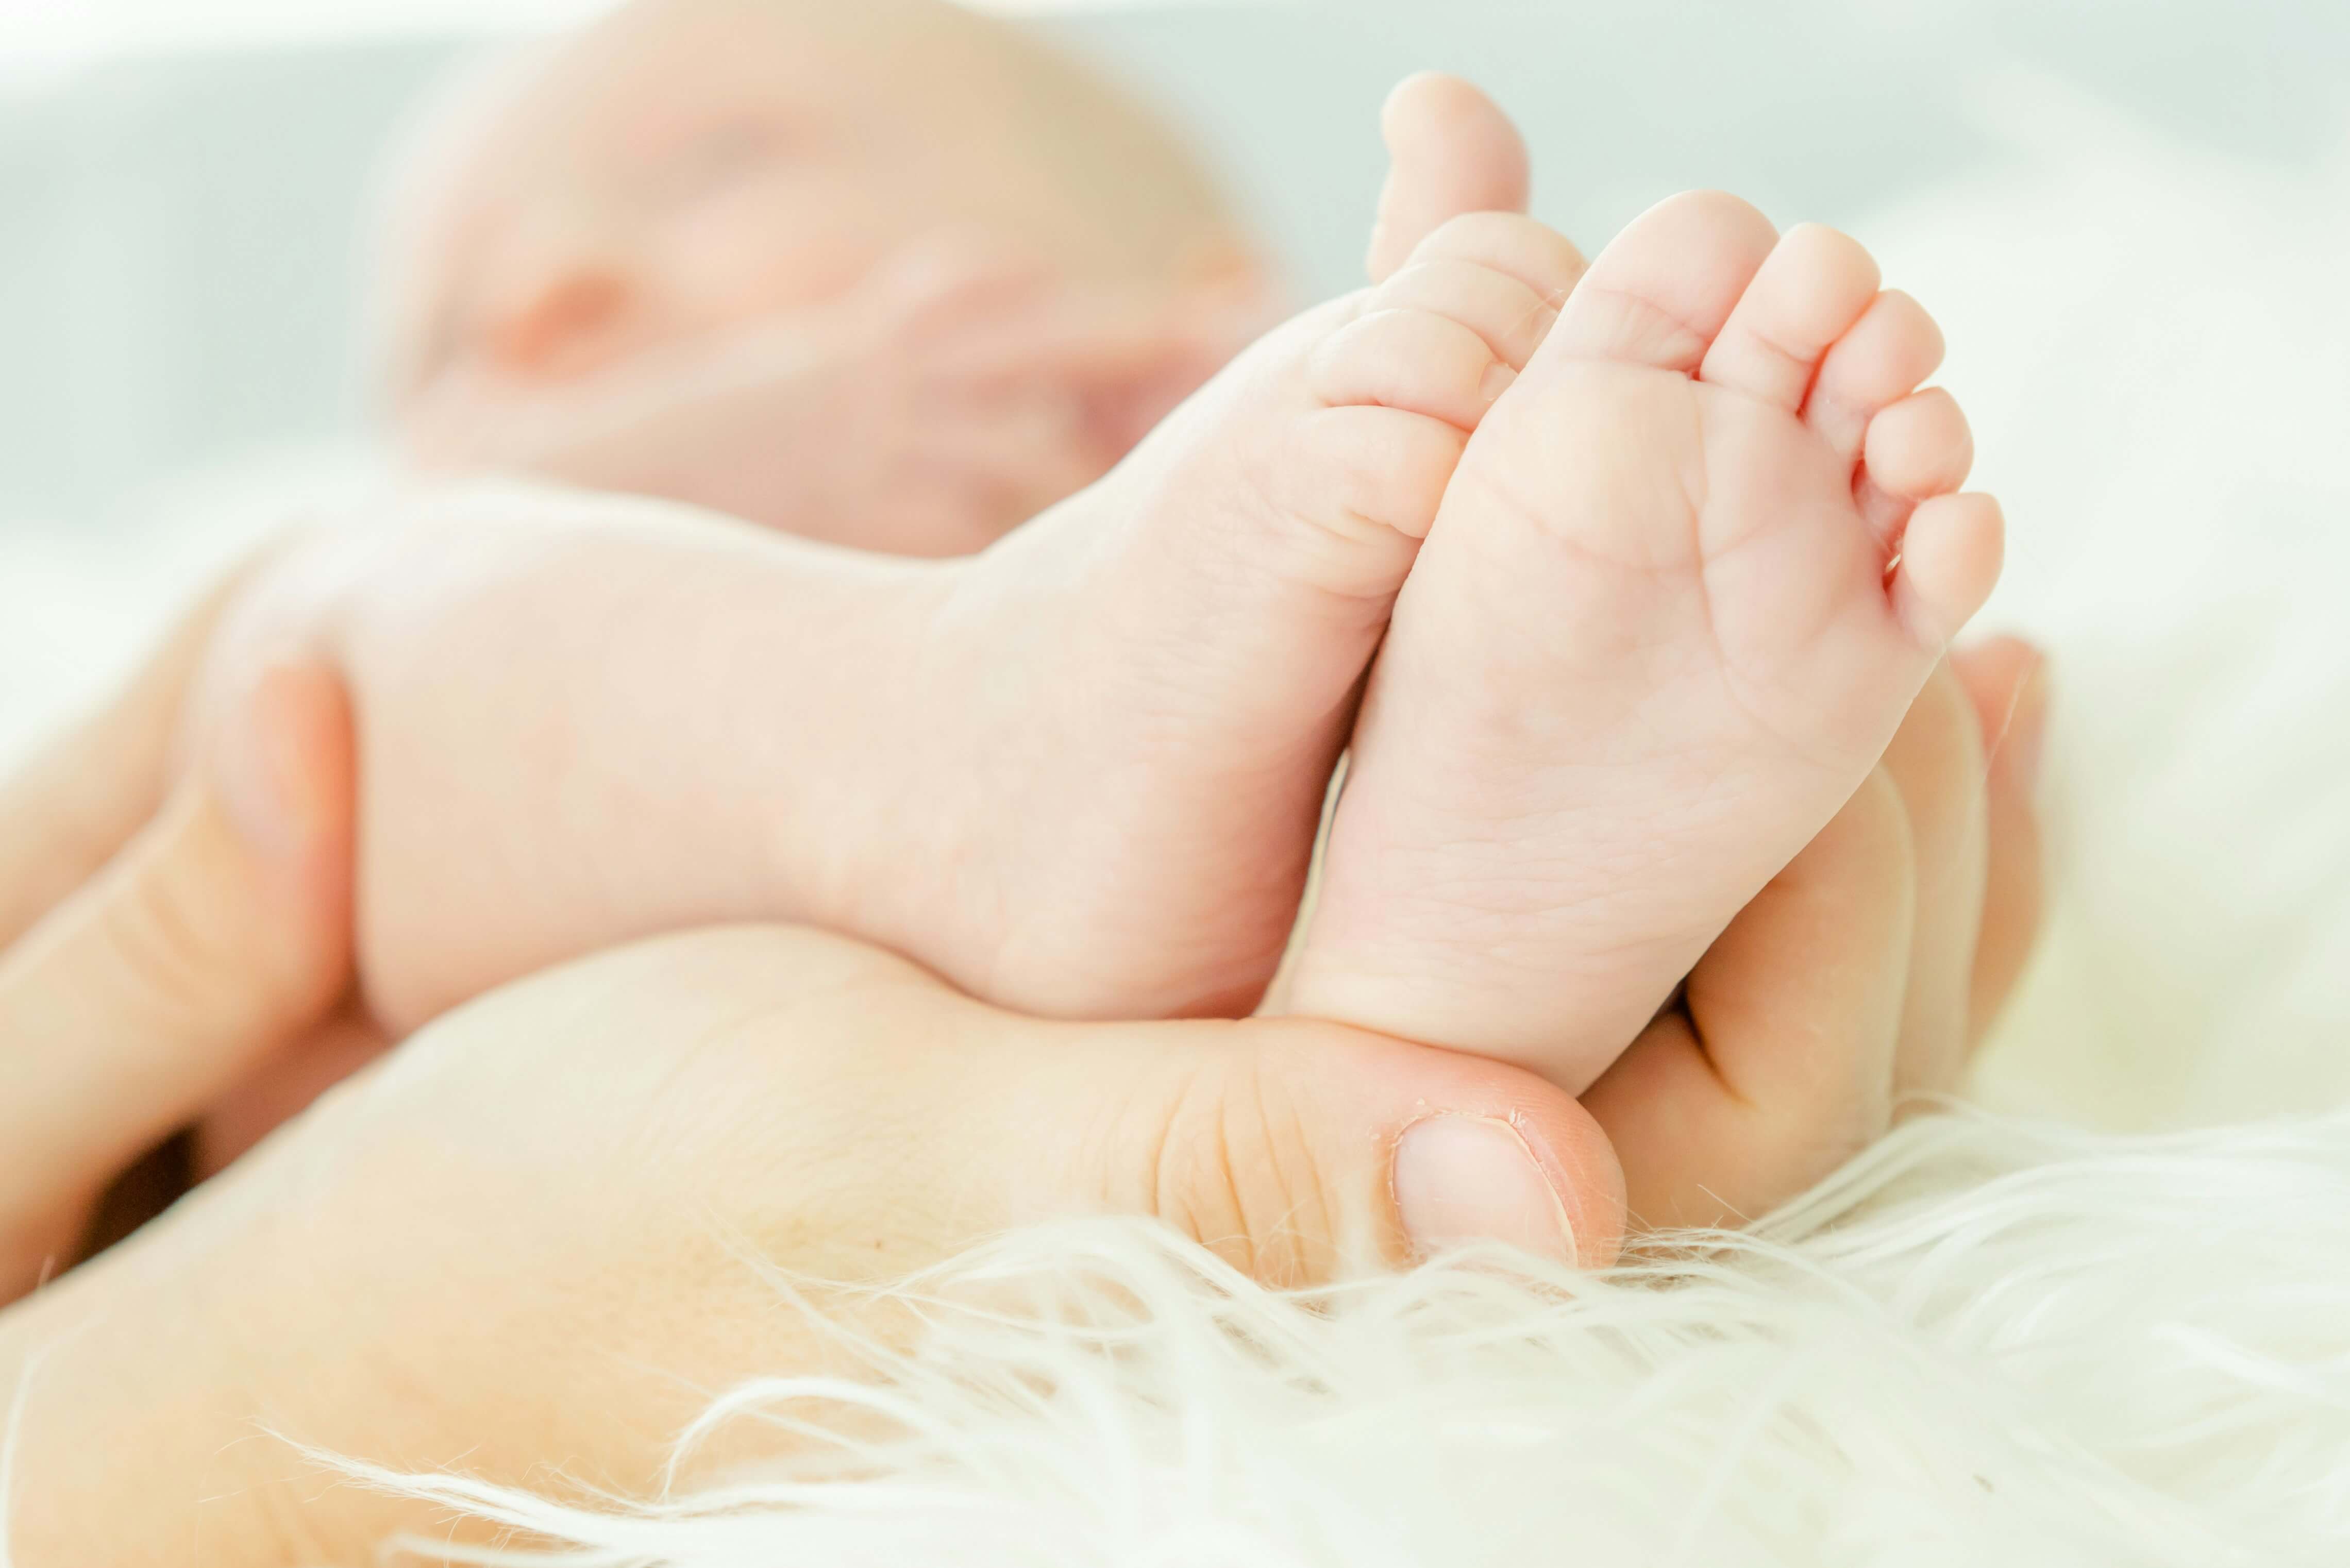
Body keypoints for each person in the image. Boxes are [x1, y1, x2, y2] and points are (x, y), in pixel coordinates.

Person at [0, 586, 2045, 1561]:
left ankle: (1411, 957)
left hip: (1105, 700)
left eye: (727, 169)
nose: (557, 301)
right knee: (366, 609)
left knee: (363, 613)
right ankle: (1412, 976)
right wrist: (199, 1414)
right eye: (476, 316)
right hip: (283, 1098)